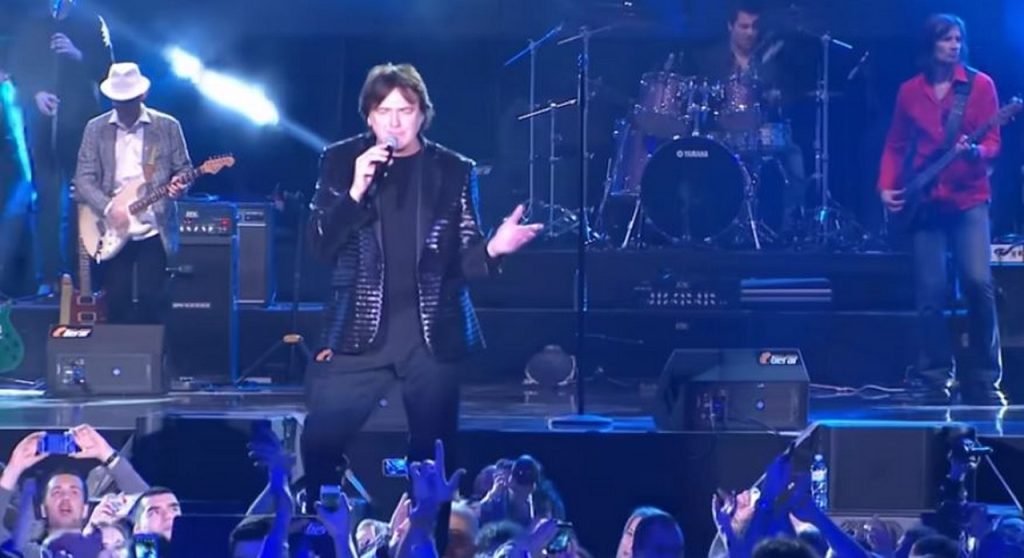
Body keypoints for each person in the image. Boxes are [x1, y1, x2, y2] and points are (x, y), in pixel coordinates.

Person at [302, 62, 541, 544]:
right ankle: (322, 538)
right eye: (384, 111)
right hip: (360, 328)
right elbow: (321, 247)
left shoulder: (454, 170)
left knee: (432, 458)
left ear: (422, 114)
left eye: (405, 110)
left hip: (432, 333)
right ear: (369, 116)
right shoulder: (340, 160)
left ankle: (428, 545)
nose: (395, 122)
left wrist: (494, 249)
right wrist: (355, 191)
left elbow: (463, 259)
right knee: (319, 439)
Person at [877, 14, 1004, 406]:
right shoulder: (910, 92)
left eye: (957, 39)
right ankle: (934, 375)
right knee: (930, 292)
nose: (953, 45)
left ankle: (985, 376)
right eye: (946, 39)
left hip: (968, 199)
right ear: (930, 45)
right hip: (927, 202)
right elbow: (896, 143)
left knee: (978, 283)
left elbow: (994, 142)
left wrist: (975, 152)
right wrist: (886, 185)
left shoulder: (981, 86)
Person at [73, 62, 192, 324]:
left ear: (143, 95)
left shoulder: (167, 126)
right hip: (112, 228)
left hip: (153, 226)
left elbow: (183, 169)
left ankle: (155, 349)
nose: (124, 107)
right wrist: (108, 208)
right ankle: (120, 349)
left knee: (153, 298)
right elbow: (83, 178)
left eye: (129, 101)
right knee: (116, 299)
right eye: (119, 101)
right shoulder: (95, 128)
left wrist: (179, 186)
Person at [9, 0, 113, 293]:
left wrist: (77, 53)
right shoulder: (34, 21)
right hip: (42, 124)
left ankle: (80, 274)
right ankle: (47, 276)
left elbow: (107, 71)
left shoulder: (91, 21)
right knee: (45, 197)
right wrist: (36, 93)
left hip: (79, 123)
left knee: (80, 199)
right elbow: (18, 66)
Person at [686, 0, 808, 239]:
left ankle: (790, 224)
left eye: (754, 27)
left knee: (794, 154)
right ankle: (716, 223)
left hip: (761, 131)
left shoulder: (771, 61)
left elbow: (791, 95)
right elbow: (700, 99)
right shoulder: (709, 60)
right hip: (722, 133)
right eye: (744, 27)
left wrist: (777, 96)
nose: (751, 33)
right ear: (730, 26)